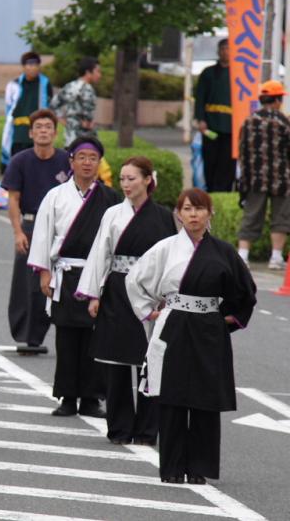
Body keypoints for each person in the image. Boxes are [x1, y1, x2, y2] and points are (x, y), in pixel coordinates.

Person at [126, 188, 256, 484]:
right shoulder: (166, 248)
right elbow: (135, 279)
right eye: (187, 209)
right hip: (174, 326)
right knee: (172, 398)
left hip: (210, 329)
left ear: (210, 213)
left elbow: (245, 293)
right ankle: (171, 467)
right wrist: (149, 311)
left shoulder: (224, 252)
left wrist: (226, 320)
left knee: (204, 401)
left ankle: (199, 468)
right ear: (178, 213)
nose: (193, 215)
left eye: (199, 209)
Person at [75, 157, 176, 445]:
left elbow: (171, 260)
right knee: (116, 361)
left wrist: (168, 297)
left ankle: (147, 429)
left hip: (150, 293)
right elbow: (100, 253)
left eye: (132, 178)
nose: (126, 184)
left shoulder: (163, 217)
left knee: (149, 360)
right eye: (122, 179)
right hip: (118, 290)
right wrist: (93, 293)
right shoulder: (113, 214)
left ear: (147, 179)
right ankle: (119, 427)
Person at [28, 136, 121, 417]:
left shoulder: (110, 198)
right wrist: (44, 272)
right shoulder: (55, 196)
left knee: (95, 336)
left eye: (93, 158)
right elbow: (43, 235)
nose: (87, 163)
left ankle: (92, 398)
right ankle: (67, 397)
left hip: (98, 274)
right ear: (71, 161)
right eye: (82, 157)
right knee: (66, 336)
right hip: (66, 273)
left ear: (99, 163)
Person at [1, 109, 70, 354]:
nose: (43, 131)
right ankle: (27, 334)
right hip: (30, 224)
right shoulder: (20, 160)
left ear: (55, 132)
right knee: (27, 282)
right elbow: (13, 199)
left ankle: (57, 331)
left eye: (48, 127)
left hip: (62, 228)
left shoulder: (66, 161)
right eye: (38, 127)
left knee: (61, 280)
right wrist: (18, 232)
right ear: (31, 132)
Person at [236, 80, 290, 271]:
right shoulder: (284, 122)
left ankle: (243, 256)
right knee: (281, 217)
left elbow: (241, 150)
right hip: (281, 178)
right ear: (276, 100)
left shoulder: (249, 121)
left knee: (251, 215)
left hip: (253, 178)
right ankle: (275, 258)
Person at [0, 51, 53, 173]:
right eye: (29, 65)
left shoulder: (45, 83)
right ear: (23, 67)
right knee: (17, 162)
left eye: (35, 64)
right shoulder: (14, 84)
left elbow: (49, 104)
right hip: (18, 130)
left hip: (37, 129)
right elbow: (9, 107)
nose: (32, 68)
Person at [194, 39, 235, 192]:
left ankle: (224, 190)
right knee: (210, 159)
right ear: (218, 51)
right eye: (223, 48)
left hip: (231, 126)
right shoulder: (208, 73)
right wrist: (201, 119)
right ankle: (210, 190)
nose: (226, 52)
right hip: (211, 124)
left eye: (229, 49)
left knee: (228, 161)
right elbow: (200, 98)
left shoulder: (238, 74)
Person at [50, 57, 102, 147]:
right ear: (88, 72)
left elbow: (53, 104)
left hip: (70, 136)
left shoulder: (70, 86)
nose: (99, 75)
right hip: (85, 138)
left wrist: (63, 119)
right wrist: (88, 122)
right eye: (97, 71)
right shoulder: (88, 89)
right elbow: (88, 117)